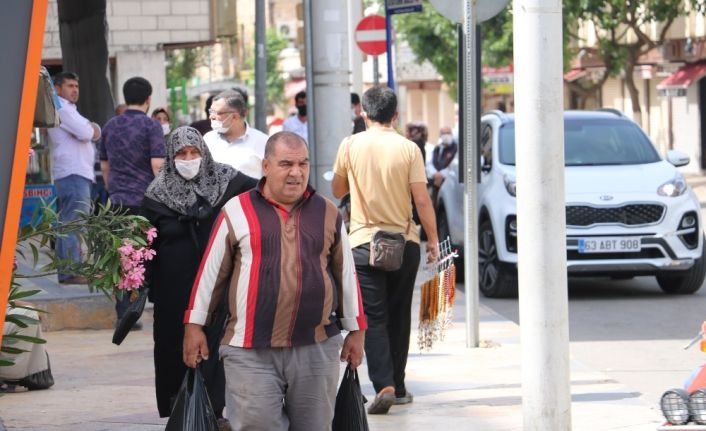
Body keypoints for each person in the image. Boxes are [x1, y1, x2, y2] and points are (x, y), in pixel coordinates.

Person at [183, 131, 366, 431]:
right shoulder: (236, 210)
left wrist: (356, 331)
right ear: (265, 166)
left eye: (303, 164)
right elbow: (210, 275)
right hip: (249, 349)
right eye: (286, 164)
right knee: (257, 426)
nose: (296, 173)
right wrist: (194, 327)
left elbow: (346, 274)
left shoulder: (327, 212)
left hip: (316, 347)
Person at [331, 86, 439, 415]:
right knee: (399, 314)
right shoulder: (408, 149)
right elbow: (422, 199)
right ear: (395, 115)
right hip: (403, 243)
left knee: (373, 317)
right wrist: (432, 239)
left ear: (363, 113)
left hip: (364, 243)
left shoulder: (350, 145)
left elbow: (337, 189)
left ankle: (384, 384)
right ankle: (400, 386)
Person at [142, 126, 257, 421]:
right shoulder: (157, 195)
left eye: (194, 152)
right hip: (174, 293)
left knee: (219, 349)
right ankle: (184, 413)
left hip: (221, 287)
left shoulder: (228, 182)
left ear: (204, 154)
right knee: (174, 349)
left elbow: (262, 194)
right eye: (181, 153)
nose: (189, 158)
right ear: (171, 156)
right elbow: (146, 244)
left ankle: (216, 412)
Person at [99, 76, 166, 324]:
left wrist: (113, 190)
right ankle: (137, 306)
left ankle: (123, 311)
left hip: (117, 200)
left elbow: (104, 166)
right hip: (145, 201)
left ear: (125, 98)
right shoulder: (151, 127)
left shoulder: (110, 126)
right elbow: (157, 165)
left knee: (122, 254)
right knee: (144, 253)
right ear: (149, 99)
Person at [47, 71, 101, 285]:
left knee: (70, 222)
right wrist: (92, 128)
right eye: (70, 85)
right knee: (73, 223)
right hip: (73, 173)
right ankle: (70, 271)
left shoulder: (69, 109)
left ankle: (69, 270)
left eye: (76, 86)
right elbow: (88, 133)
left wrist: (91, 129)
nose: (75, 90)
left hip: (76, 172)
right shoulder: (60, 107)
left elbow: (92, 130)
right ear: (58, 88)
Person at [203, 90, 269, 179]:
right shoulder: (208, 139)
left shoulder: (263, 142)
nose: (211, 116)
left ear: (235, 116)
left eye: (217, 112)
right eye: (211, 111)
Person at [427, 126, 458, 192]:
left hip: (449, 182)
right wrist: (435, 174)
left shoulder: (456, 148)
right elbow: (430, 163)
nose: (446, 135)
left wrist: (442, 174)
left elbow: (454, 164)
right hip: (436, 181)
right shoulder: (437, 148)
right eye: (443, 133)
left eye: (448, 133)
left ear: (451, 134)